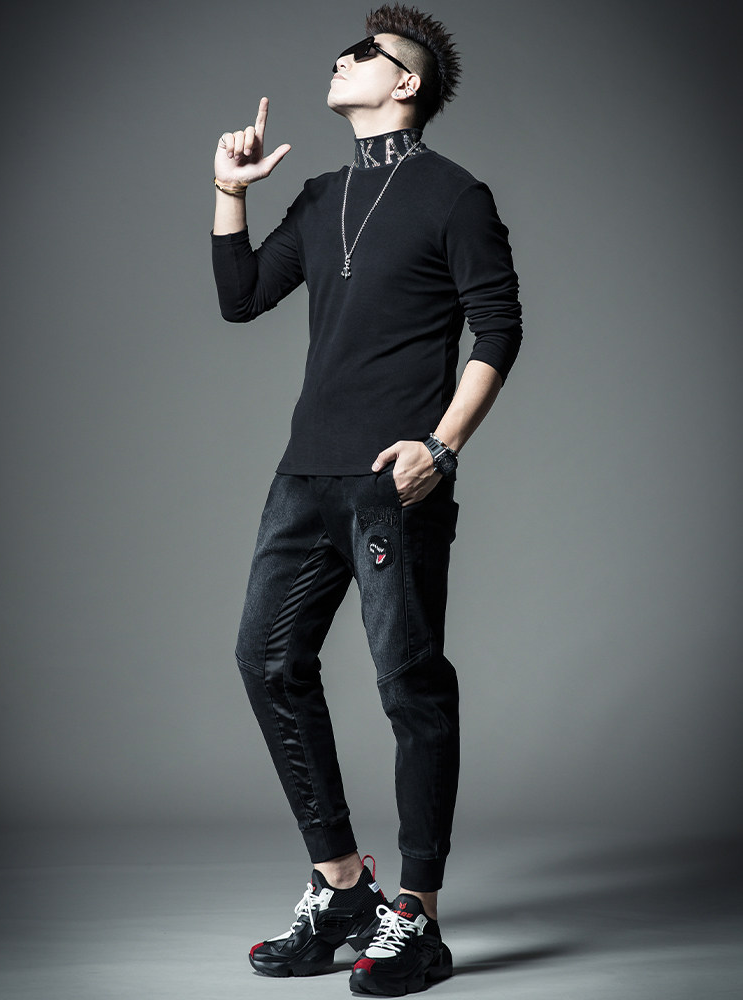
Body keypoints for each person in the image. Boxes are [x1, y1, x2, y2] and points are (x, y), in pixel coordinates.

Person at [210, 4, 522, 994]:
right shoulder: (321, 197)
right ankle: (344, 886)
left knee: (409, 686)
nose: (343, 59)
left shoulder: (454, 195)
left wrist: (442, 445)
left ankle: (417, 918)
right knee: (267, 661)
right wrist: (229, 191)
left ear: (407, 84)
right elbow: (241, 296)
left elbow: (499, 328)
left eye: (367, 53)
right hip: (304, 475)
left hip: (395, 480)